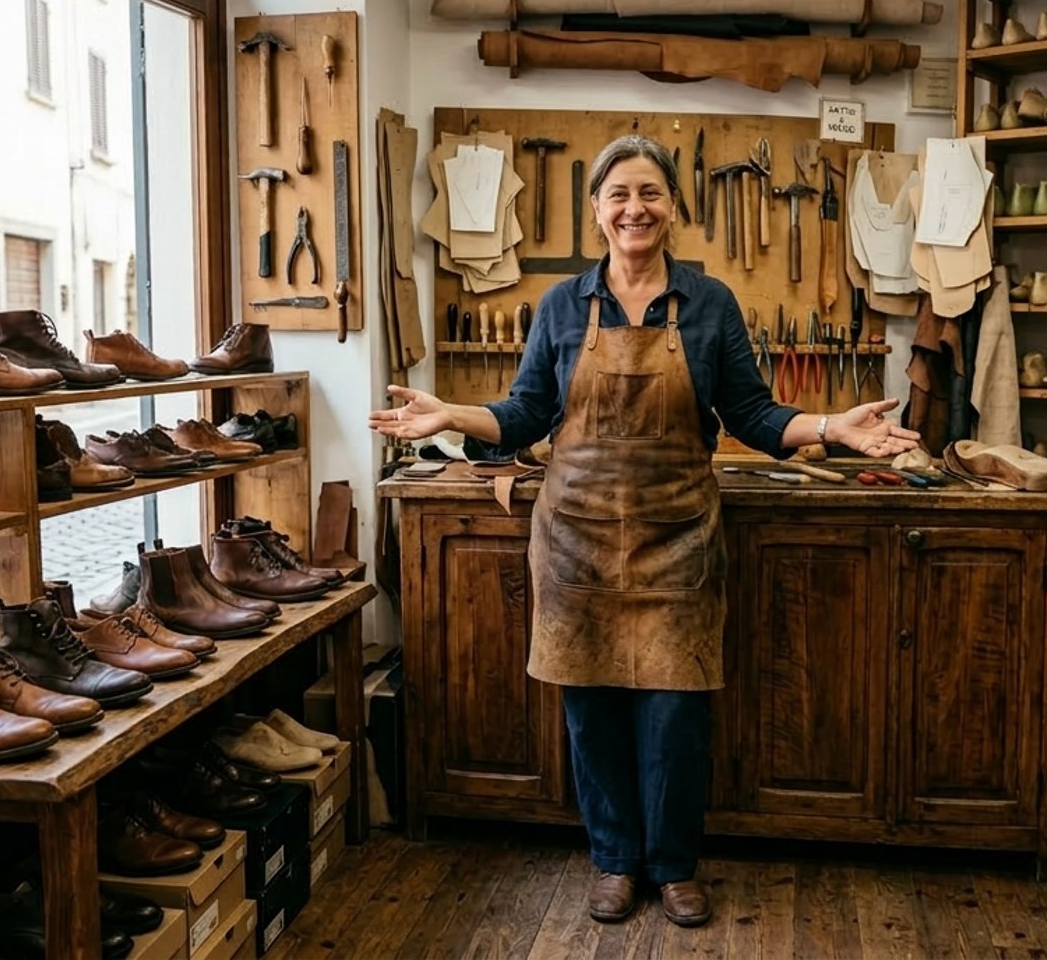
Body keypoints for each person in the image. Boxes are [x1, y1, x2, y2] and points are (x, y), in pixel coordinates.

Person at [368, 134, 918, 927]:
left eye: (651, 193)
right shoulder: (562, 305)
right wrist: (453, 412)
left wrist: (833, 425)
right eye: (619, 193)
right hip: (577, 540)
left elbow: (756, 416)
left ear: (671, 208)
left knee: (676, 715)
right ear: (597, 211)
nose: (636, 207)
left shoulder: (710, 302)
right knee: (591, 714)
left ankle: (674, 864)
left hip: (678, 538)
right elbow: (527, 413)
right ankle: (615, 859)